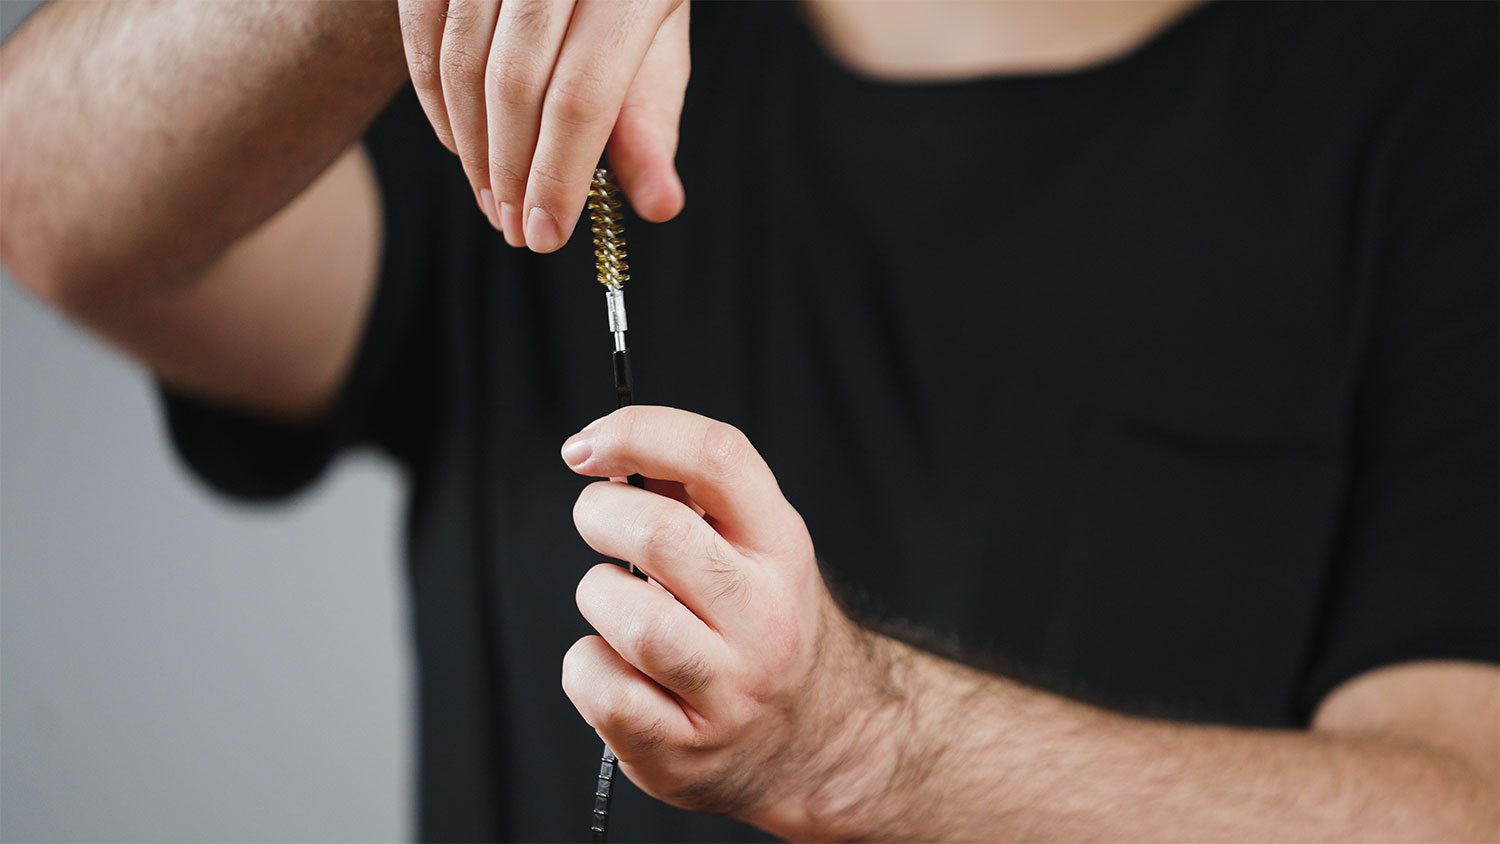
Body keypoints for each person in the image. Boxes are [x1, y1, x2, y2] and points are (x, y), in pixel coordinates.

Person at [2, 1, 1496, 841]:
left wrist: (865, 746)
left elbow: (1465, 805)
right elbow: (45, 201)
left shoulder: (1434, 111)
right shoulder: (542, 57)